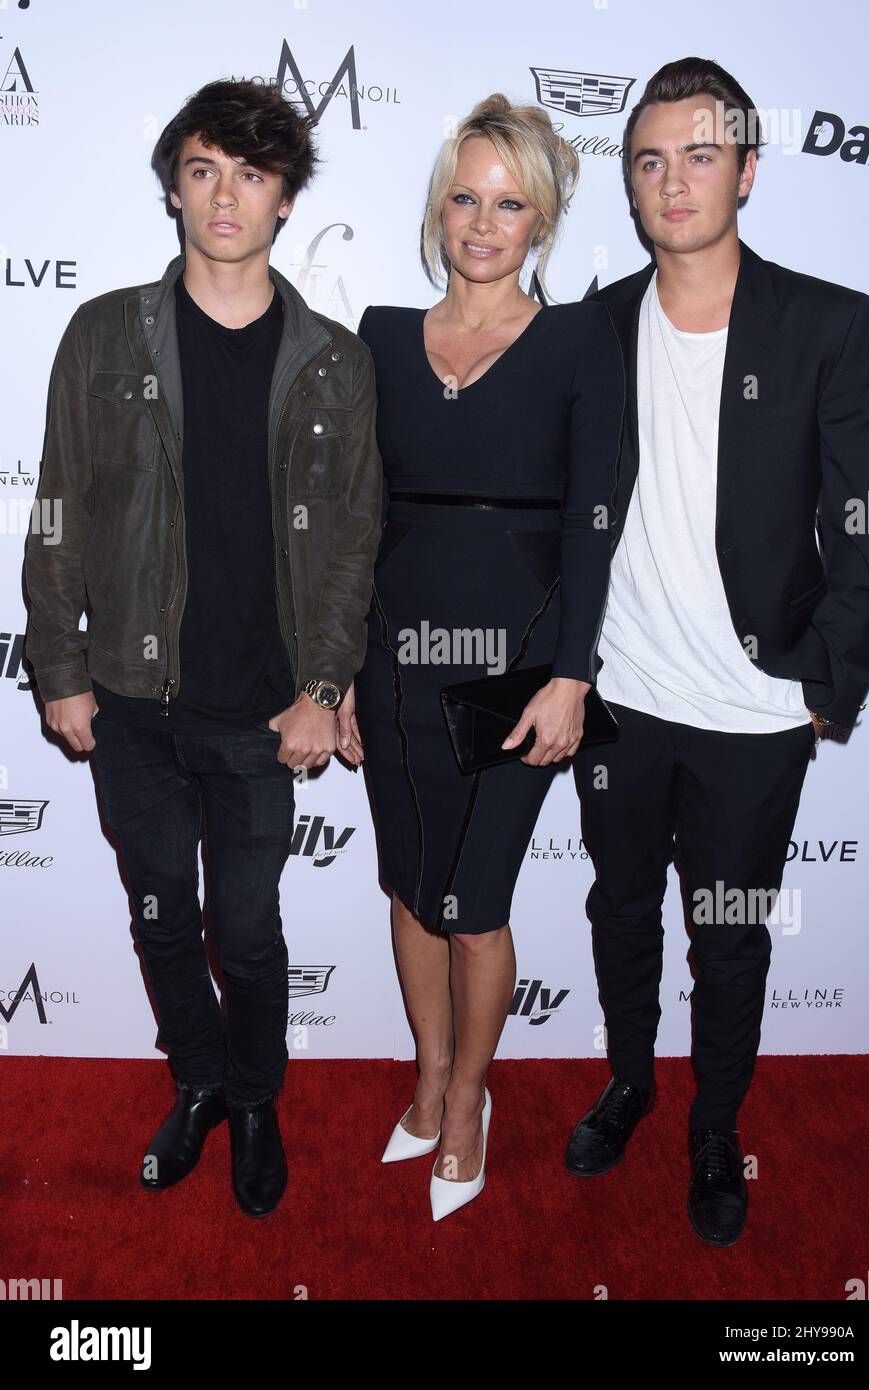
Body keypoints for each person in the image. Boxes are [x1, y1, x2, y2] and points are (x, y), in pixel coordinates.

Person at [23, 78, 382, 1218]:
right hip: (130, 699)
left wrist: (326, 687)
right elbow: (57, 507)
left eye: (253, 175)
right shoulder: (103, 333)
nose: (226, 196)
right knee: (160, 916)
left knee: (249, 927)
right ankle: (199, 1083)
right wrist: (60, 666)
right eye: (204, 169)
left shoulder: (333, 360)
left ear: (286, 201)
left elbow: (353, 543)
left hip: (262, 711)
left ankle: (259, 1096)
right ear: (174, 185)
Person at [566, 57, 869, 1245]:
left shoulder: (827, 324)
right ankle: (628, 1080)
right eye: (649, 160)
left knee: (732, 933)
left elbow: (868, 520)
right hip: (621, 696)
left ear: (746, 169)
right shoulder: (594, 325)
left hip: (757, 710)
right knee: (617, 912)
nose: (673, 181)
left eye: (699, 155)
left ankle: (714, 1126)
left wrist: (829, 681)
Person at [354, 94, 624, 1220]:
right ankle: (424, 1074)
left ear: (542, 223)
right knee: (413, 890)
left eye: (509, 203)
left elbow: (594, 521)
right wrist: (336, 674)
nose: (482, 220)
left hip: (519, 669)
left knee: (475, 901)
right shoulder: (374, 336)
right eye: (465, 196)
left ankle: (468, 1098)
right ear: (437, 207)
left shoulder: (579, 341)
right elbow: (352, 521)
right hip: (392, 658)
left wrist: (571, 674)